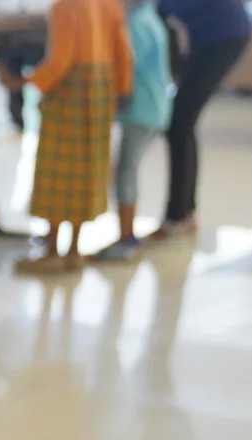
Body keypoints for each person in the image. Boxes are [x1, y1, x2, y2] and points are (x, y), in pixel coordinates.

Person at [0, 0, 132, 273]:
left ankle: (52, 251)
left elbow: (61, 60)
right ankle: (73, 250)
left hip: (71, 90)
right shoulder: (108, 3)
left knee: (58, 169)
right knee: (87, 169)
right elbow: (123, 52)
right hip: (101, 88)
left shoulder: (66, 7)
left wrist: (23, 83)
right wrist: (123, 87)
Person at [146, 0, 250, 242]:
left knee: (179, 123)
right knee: (181, 123)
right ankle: (184, 214)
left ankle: (178, 218)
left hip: (224, 36)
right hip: (212, 36)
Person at [95, 0, 172, 261]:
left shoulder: (137, 23)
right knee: (126, 170)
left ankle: (127, 239)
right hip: (150, 107)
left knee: (125, 171)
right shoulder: (148, 17)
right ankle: (126, 236)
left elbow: (125, 62)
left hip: (143, 109)